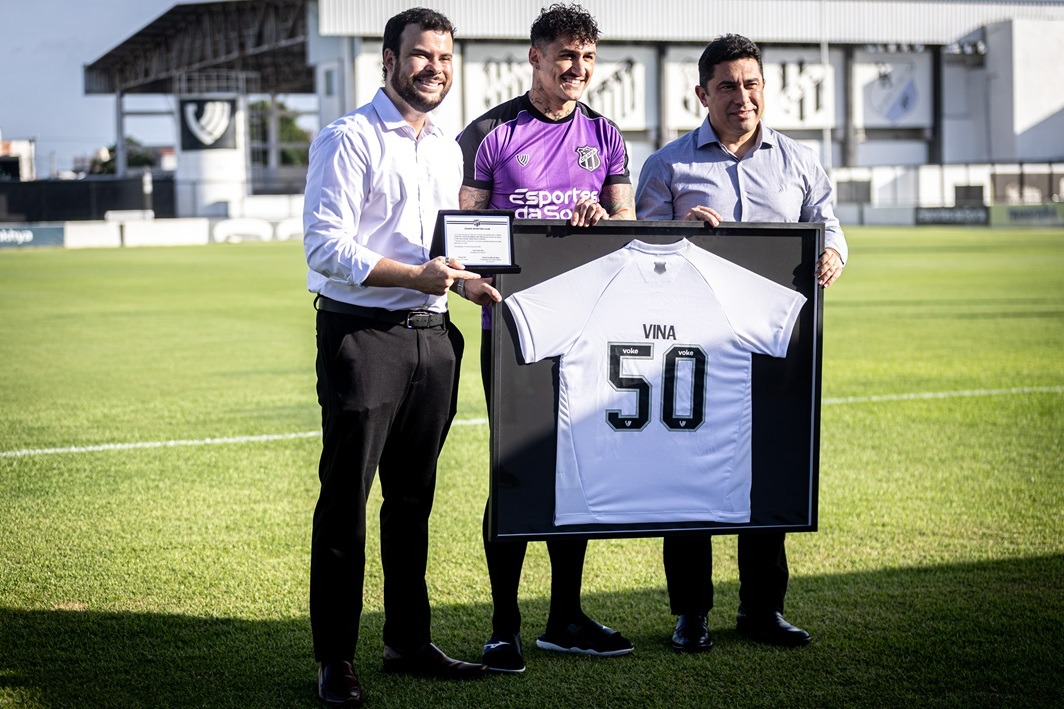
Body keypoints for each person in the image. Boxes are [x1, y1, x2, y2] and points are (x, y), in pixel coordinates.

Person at [303, 8, 496, 706]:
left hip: (434, 339)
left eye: (444, 57)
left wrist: (467, 280)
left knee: (413, 499)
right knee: (346, 501)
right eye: (420, 55)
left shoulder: (448, 146)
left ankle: (407, 640)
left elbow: (447, 246)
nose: (435, 68)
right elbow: (326, 248)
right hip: (364, 338)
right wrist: (414, 276)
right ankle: (335, 658)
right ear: (389, 59)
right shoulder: (348, 138)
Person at [635, 33, 848, 653]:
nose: (741, 96)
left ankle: (762, 609)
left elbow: (826, 219)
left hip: (772, 347)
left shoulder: (801, 161)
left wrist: (833, 248)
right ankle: (691, 613)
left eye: (751, 83)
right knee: (689, 479)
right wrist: (675, 230)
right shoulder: (669, 165)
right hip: (690, 349)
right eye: (727, 85)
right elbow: (637, 249)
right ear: (702, 93)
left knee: (768, 474)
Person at [455, 2, 636, 674]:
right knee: (516, 469)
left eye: (587, 58)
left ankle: (564, 616)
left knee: (578, 471)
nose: (577, 69)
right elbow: (462, 233)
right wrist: (468, 280)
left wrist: (602, 217)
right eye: (565, 56)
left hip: (590, 332)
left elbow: (629, 225)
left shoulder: (607, 135)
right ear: (534, 56)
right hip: (511, 332)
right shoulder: (490, 133)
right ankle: (504, 626)